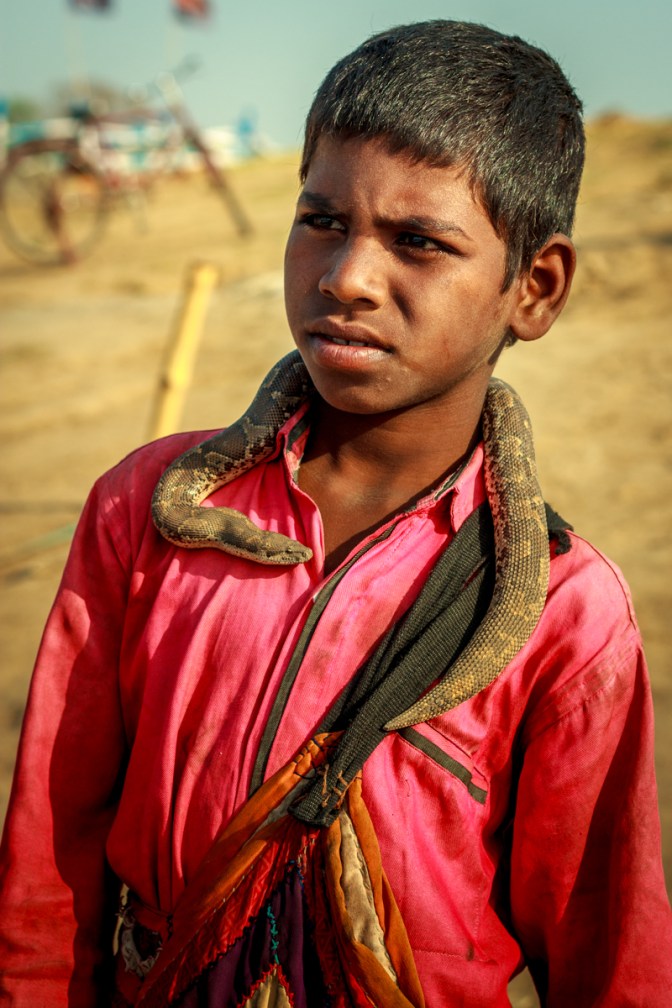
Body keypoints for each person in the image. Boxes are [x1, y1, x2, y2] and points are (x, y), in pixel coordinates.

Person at [1, 19, 670, 1008]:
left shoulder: (564, 612)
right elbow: (45, 871)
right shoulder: (145, 510)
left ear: (534, 288)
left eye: (418, 243)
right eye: (321, 220)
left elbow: (610, 958)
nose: (347, 277)